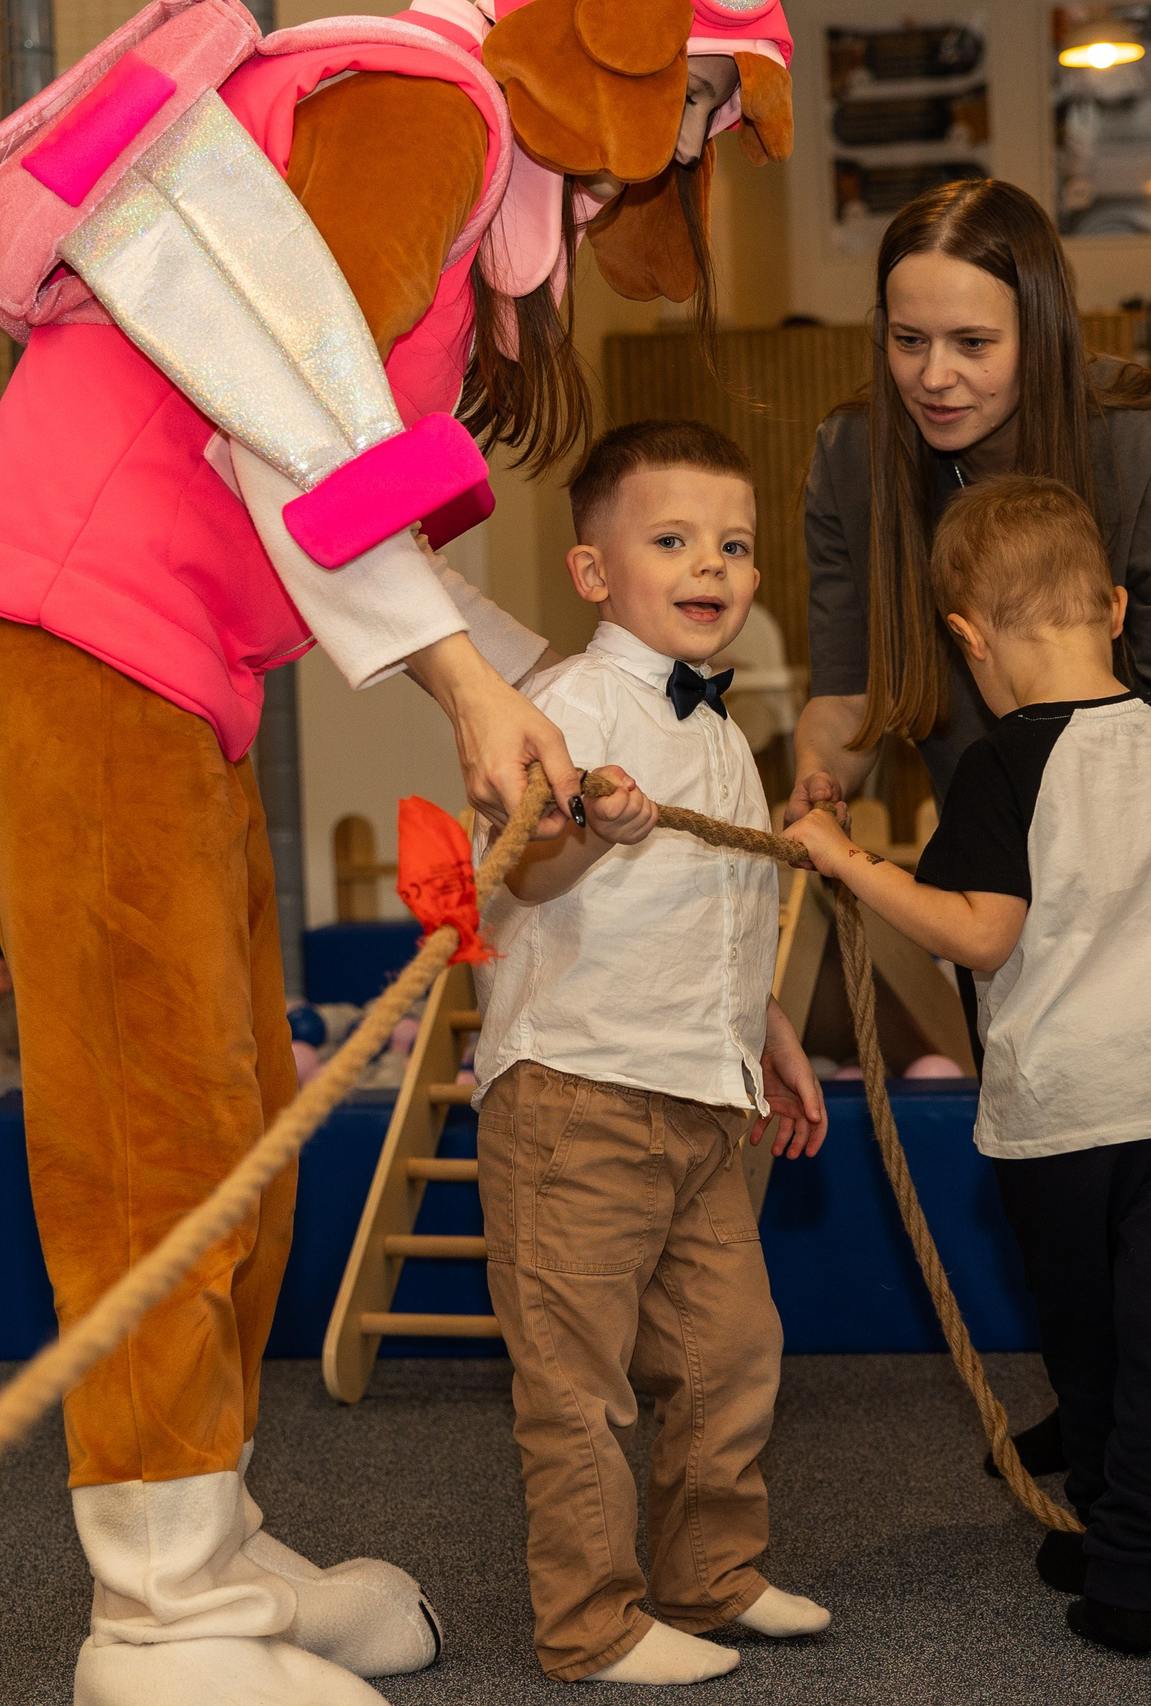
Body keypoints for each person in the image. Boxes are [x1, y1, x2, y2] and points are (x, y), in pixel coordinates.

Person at [0, 7, 802, 1702]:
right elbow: (280, 398)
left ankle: (207, 1543)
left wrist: (524, 694)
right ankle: (156, 1616)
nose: (689, 144)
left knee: (231, 1118)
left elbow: (301, 442)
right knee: (156, 1136)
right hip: (93, 643)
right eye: (704, 95)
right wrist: (463, 688)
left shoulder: (447, 141)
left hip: (160, 663)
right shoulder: (415, 107)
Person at [793, 177, 1151, 1514]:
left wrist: (1118, 848)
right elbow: (847, 674)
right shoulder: (858, 456)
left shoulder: (1147, 444)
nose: (937, 375)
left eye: (973, 343)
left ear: (1042, 331)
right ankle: (1107, 1392)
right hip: (999, 823)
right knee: (1051, 1111)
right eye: (910, 341)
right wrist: (818, 784)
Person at [788, 476, 1151, 1658]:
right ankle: (1128, 1553)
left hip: (1067, 1113)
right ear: (1110, 604)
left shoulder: (1004, 765)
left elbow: (979, 930)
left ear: (967, 635)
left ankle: (1122, 1533)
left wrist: (849, 862)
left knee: (1088, 1333)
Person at [472, 421, 831, 1686]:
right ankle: (590, 1623)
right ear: (591, 572)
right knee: (578, 1386)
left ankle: (710, 1579)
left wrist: (770, 1031)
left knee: (729, 1356)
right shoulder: (567, 703)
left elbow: (724, 912)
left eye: (732, 544)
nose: (711, 565)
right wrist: (592, 830)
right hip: (578, 1093)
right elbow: (524, 864)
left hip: (699, 1098)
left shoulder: (724, 731)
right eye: (671, 539)